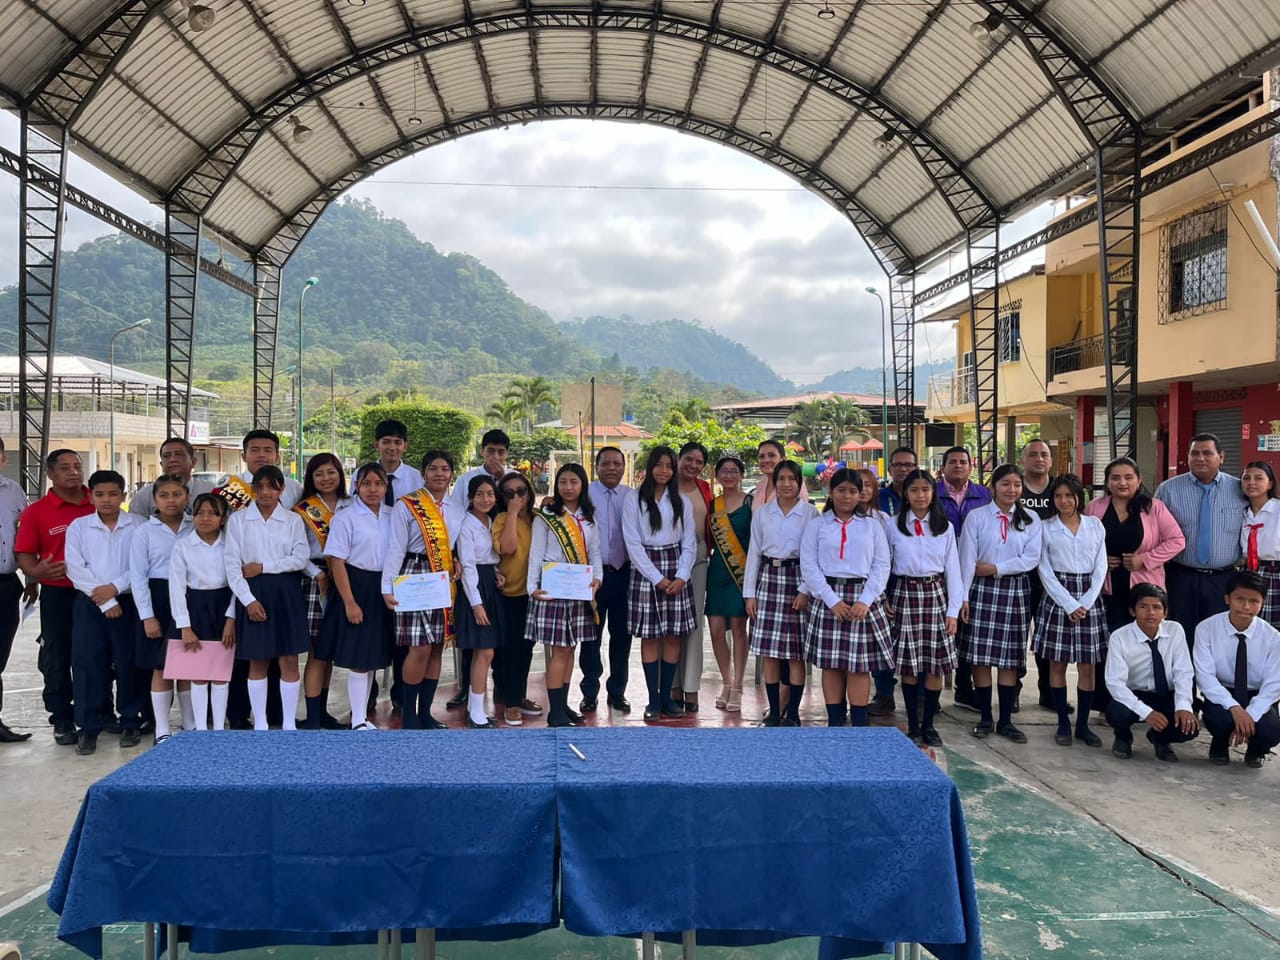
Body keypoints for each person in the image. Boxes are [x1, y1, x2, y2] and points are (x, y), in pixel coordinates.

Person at [1084, 456, 1185, 718]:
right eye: (1116, 478)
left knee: (1142, 648)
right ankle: (1108, 706)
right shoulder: (1095, 508)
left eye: (1128, 477)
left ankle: (1147, 705)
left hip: (1143, 591)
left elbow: (1176, 540)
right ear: (1107, 482)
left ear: (1138, 480)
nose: (1122, 482)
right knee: (1108, 648)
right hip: (1106, 591)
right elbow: (1080, 543)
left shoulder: (1154, 508)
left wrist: (1145, 560)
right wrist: (1099, 561)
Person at [220, 430, 301, 730]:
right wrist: (247, 600)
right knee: (255, 659)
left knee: (288, 659)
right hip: (249, 593)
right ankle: (256, 721)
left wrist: (264, 567)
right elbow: (232, 565)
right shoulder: (234, 505)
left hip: (285, 592)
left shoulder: (294, 508)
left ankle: (286, 720)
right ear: (244, 455)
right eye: (255, 449)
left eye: (268, 449)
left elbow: (300, 556)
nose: (266, 492)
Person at [800, 469, 893, 728]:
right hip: (828, 598)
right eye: (841, 490)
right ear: (831, 492)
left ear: (860, 494)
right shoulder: (817, 525)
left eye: (853, 491)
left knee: (859, 666)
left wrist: (866, 600)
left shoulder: (872, 526)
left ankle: (859, 725)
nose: (846, 496)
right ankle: (835, 722)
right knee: (831, 665)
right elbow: (809, 565)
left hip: (863, 599)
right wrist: (831, 600)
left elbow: (882, 565)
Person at [15, 449, 94, 746]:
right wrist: (36, 571)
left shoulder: (98, 503)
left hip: (96, 594)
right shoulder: (36, 512)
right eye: (65, 467)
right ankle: (62, 718)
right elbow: (24, 552)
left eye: (77, 466)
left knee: (96, 655)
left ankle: (98, 713)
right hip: (59, 594)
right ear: (50, 473)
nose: (73, 472)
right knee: (57, 656)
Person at [958, 464, 1042, 743]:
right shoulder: (977, 517)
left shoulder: (1030, 519)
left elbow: (1031, 558)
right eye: (1005, 484)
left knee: (1009, 659)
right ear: (993, 487)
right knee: (980, 658)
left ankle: (1005, 720)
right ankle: (985, 717)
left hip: (1014, 591)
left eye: (1017, 485)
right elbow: (967, 558)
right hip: (980, 590)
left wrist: (995, 568)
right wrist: (963, 597)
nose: (1011, 490)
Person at [64, 470, 145, 755]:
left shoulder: (138, 525)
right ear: (91, 496)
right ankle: (88, 727)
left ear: (123, 495)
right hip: (90, 603)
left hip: (128, 601)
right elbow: (75, 568)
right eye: (100, 494)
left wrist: (115, 588)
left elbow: (140, 566)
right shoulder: (79, 527)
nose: (106, 500)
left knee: (128, 663)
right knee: (88, 665)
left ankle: (130, 721)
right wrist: (105, 600)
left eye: (113, 494)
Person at [382, 450, 463, 729]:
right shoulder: (408, 505)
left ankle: (425, 712)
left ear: (452, 473)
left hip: (443, 578)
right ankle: (408, 712)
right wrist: (387, 587)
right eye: (433, 468)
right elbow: (396, 547)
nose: (439, 474)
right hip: (413, 575)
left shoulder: (457, 508)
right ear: (423, 473)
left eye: (445, 468)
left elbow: (455, 544)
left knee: (437, 646)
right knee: (419, 647)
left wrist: (457, 560)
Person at [885, 469, 963, 745]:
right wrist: (883, 596)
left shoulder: (944, 527)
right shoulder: (893, 525)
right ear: (906, 494)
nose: (920, 495)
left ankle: (929, 724)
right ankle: (913, 725)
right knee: (909, 667)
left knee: (934, 666)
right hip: (905, 594)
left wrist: (953, 611)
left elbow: (953, 570)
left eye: (926, 490)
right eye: (914, 490)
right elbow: (883, 563)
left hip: (935, 594)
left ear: (933, 493)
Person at [315, 464, 393, 732]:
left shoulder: (393, 515)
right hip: (355, 585)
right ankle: (358, 719)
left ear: (386, 487)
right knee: (359, 657)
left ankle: (362, 716)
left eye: (378, 484)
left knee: (372, 656)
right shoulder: (345, 517)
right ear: (357, 485)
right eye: (366, 483)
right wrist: (349, 602)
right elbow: (337, 561)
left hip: (383, 586)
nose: (373, 489)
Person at [624, 445, 698, 722]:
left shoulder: (682, 501)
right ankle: (653, 699)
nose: (664, 470)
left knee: (672, 635)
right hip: (646, 570)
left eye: (669, 465)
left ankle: (667, 696)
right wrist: (657, 578)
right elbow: (632, 543)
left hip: (676, 566)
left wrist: (682, 576)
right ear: (650, 467)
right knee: (650, 636)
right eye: (659, 465)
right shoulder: (634, 499)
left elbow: (689, 542)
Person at [1032, 475, 1106, 748]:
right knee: (1058, 662)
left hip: (1089, 597)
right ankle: (1063, 722)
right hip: (1057, 596)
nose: (1064, 501)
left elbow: (1101, 566)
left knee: (1087, 664)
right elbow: (1044, 569)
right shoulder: (1045, 527)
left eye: (1069, 495)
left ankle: (1083, 725)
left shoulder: (1095, 525)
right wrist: (1069, 603)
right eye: (1058, 496)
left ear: (1079, 497)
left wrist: (1086, 601)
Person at [528, 463, 602, 728]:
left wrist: (598, 578)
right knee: (559, 651)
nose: (568, 487)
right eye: (563, 482)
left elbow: (595, 553)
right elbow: (536, 552)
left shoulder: (588, 517)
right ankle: (555, 712)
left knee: (570, 650)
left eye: (574, 482)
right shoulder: (547, 515)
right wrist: (531, 587)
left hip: (579, 590)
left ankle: (562, 706)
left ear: (583, 485)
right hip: (553, 589)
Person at [1154, 434, 1247, 642]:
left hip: (1224, 580)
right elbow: (1151, 531)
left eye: (1207, 453)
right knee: (1179, 634)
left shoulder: (1239, 490)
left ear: (1221, 457)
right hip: (1180, 577)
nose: (1200, 458)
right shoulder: (1168, 490)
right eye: (1194, 453)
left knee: (1220, 637)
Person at [744, 460, 816, 727]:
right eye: (781, 479)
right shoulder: (763, 513)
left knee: (796, 653)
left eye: (792, 479)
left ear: (800, 483)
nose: (786, 484)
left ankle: (793, 712)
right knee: (770, 652)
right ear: (774, 483)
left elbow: (814, 555)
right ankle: (774, 711)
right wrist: (750, 593)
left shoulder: (810, 514)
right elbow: (754, 553)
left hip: (798, 580)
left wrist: (805, 589)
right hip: (769, 579)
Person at [361, 419, 423, 715]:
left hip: (405, 566)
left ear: (405, 446)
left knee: (404, 635)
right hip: (371, 564)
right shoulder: (362, 475)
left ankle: (401, 695)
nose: (392, 447)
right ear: (377, 444)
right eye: (386, 441)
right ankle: (367, 696)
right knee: (371, 632)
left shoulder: (415, 478)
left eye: (398, 442)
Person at [447, 429, 511, 709]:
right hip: (473, 582)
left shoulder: (507, 485)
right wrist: (476, 602)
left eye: (501, 451)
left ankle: (492, 694)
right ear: (482, 451)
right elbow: (469, 560)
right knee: (477, 647)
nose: (496, 456)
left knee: (491, 646)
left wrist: (496, 573)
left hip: (492, 578)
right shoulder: (466, 483)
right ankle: (471, 698)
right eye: (490, 450)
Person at [128, 475, 194, 744]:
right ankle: (162, 729)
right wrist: (147, 616)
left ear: (187, 496)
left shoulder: (195, 525)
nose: (171, 500)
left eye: (177, 494)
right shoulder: (144, 531)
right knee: (160, 666)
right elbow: (137, 576)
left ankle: (190, 725)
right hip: (157, 598)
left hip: (189, 599)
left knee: (187, 664)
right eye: (164, 495)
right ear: (154, 500)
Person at [1194, 571, 1280, 768]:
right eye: (1240, 599)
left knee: (1271, 730)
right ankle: (1219, 744)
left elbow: (1274, 684)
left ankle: (1256, 749)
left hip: (1256, 693)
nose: (1246, 606)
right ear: (1227, 598)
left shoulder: (1273, 638)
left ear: (1263, 603)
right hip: (1222, 690)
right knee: (1219, 719)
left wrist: (1250, 715)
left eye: (1254, 601)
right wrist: (1234, 708)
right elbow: (1205, 677)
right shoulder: (1206, 629)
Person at [1104, 583, 1199, 761]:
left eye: (1157, 607)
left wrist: (1183, 706)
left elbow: (1183, 672)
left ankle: (1160, 739)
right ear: (1132, 611)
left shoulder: (1175, 630)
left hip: (1166, 694)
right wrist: (1146, 712)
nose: (1151, 613)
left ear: (1165, 612)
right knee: (1117, 712)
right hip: (1136, 693)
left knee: (1188, 725)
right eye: (1143, 607)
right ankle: (1123, 737)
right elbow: (1115, 682)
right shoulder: (1120, 637)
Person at [168, 493, 236, 731]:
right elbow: (176, 587)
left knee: (220, 672)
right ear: (192, 516)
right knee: (197, 672)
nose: (205, 518)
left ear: (223, 518)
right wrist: (184, 626)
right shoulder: (183, 547)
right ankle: (200, 728)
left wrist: (231, 618)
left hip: (223, 606)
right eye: (200, 513)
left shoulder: (231, 546)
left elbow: (238, 584)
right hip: (195, 608)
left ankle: (218, 727)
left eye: (213, 513)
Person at [296, 453, 350, 729]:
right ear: (311, 478)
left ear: (340, 474)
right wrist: (316, 573)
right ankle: (313, 716)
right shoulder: (304, 510)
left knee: (329, 649)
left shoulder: (352, 505)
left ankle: (324, 712)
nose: (326, 478)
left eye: (331, 472)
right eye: (319, 474)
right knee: (317, 650)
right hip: (315, 580)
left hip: (345, 578)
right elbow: (296, 550)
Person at [938, 446, 993, 711]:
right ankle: (929, 693)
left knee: (968, 628)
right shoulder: (932, 493)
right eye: (952, 461)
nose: (958, 466)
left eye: (963, 461)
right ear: (943, 467)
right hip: (941, 570)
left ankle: (964, 686)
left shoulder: (984, 495)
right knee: (942, 627)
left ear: (971, 466)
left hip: (976, 569)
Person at [455, 475, 506, 729]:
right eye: (479, 494)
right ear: (470, 497)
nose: (485, 499)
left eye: (490, 494)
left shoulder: (492, 521)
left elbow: (489, 558)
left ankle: (475, 708)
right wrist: (476, 603)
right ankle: (475, 710)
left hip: (490, 585)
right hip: (474, 589)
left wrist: (496, 573)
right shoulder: (466, 524)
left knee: (486, 650)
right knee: (484, 651)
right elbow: (467, 565)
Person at [583, 446, 631, 713]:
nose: (612, 468)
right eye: (606, 463)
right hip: (594, 577)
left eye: (617, 463)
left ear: (624, 467)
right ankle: (589, 692)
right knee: (591, 636)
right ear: (597, 466)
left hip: (625, 575)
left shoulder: (632, 497)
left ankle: (618, 691)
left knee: (622, 636)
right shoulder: (585, 494)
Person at [493, 472, 539, 725]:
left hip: (534, 593)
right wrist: (512, 513)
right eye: (509, 493)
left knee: (527, 648)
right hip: (509, 593)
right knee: (511, 650)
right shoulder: (501, 519)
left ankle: (519, 696)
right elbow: (508, 548)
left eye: (521, 491)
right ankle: (510, 703)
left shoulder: (538, 518)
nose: (516, 497)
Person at [706, 456, 751, 713]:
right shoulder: (713, 504)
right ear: (718, 474)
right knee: (715, 630)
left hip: (741, 574)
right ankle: (726, 681)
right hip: (717, 572)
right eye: (724, 471)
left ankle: (738, 686)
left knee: (738, 628)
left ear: (741, 475)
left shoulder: (750, 503)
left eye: (734, 471)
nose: (729, 475)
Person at [673, 441, 713, 712]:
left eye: (699, 462)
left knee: (694, 625)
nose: (693, 465)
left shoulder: (704, 488)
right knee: (670, 625)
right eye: (689, 459)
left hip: (698, 557)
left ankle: (690, 688)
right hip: (667, 557)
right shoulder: (664, 486)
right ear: (679, 458)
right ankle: (672, 686)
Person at [1018, 439, 1057, 713]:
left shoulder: (1060, 490)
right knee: (1017, 636)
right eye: (1033, 454)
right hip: (1019, 575)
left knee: (1047, 637)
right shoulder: (1014, 487)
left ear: (1051, 460)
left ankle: (1049, 691)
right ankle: (1013, 691)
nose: (1039, 459)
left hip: (1052, 577)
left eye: (1044, 454)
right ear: (1023, 460)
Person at [0, 438, 34, 742]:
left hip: (6, 585)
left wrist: (32, 578)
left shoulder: (14, 491)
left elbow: (26, 537)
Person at [127, 437, 216, 517]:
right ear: (162, 464)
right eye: (167, 456)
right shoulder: (145, 495)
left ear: (193, 462)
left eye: (179, 454)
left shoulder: (211, 490)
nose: (172, 459)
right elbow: (134, 525)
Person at [1240, 460, 1280, 630]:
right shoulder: (1242, 512)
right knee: (1250, 625)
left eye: (1258, 478)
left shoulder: (1277, 509)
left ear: (1270, 483)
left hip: (1275, 572)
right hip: (1249, 572)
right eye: (1246, 478)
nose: (1251, 483)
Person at [877, 446, 918, 517]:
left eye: (908, 465)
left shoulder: (926, 498)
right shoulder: (877, 498)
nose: (903, 469)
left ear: (917, 470)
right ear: (890, 470)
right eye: (898, 465)